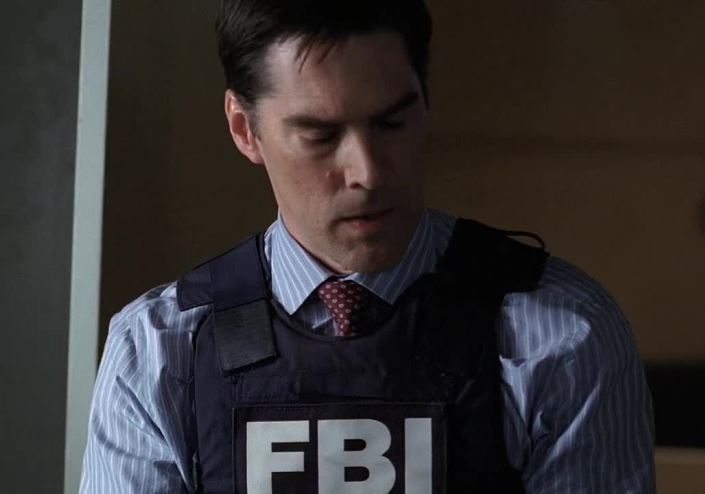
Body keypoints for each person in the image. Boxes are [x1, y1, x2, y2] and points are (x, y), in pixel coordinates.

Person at [80, 0, 655, 492]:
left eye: (392, 124)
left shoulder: (561, 335)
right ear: (244, 129)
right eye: (321, 135)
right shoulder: (158, 351)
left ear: (426, 102)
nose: (369, 173)